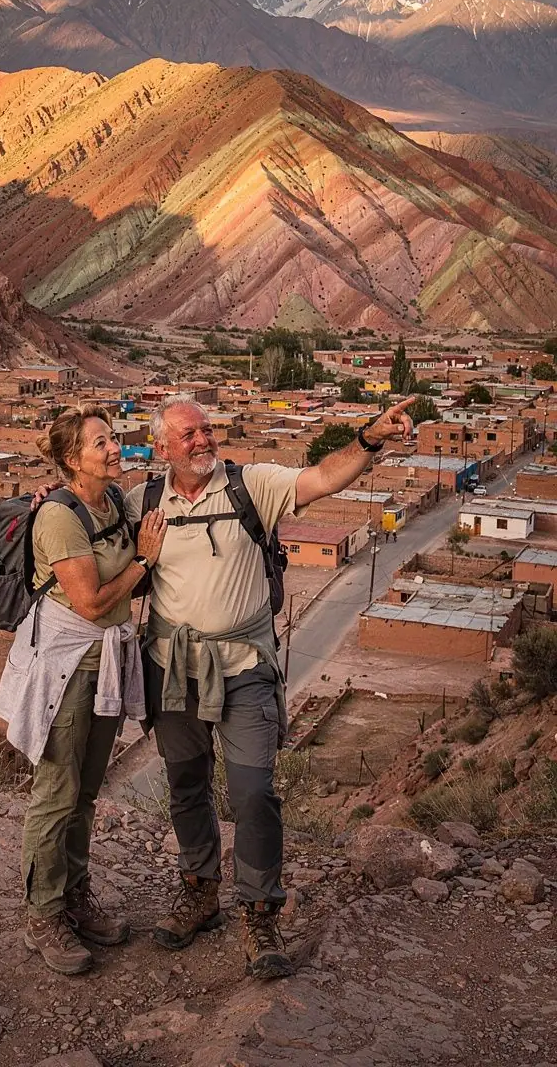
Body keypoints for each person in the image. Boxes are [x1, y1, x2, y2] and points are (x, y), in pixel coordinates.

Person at [126, 391, 413, 980]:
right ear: (161, 448)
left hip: (245, 668)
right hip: (173, 669)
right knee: (186, 784)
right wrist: (47, 498)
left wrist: (370, 438)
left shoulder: (249, 484)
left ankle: (259, 913)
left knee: (254, 792)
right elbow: (86, 521)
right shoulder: (141, 502)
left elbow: (322, 479)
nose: (204, 440)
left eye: (207, 429)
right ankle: (199, 890)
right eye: (189, 434)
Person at [0, 405, 167, 976]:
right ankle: (42, 914)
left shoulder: (113, 501)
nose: (115, 448)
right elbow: (90, 603)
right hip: (66, 668)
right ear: (72, 459)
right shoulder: (59, 518)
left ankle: (74, 894)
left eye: (113, 438)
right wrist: (143, 560)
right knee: (57, 792)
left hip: (106, 663)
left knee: (86, 791)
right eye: (101, 443)